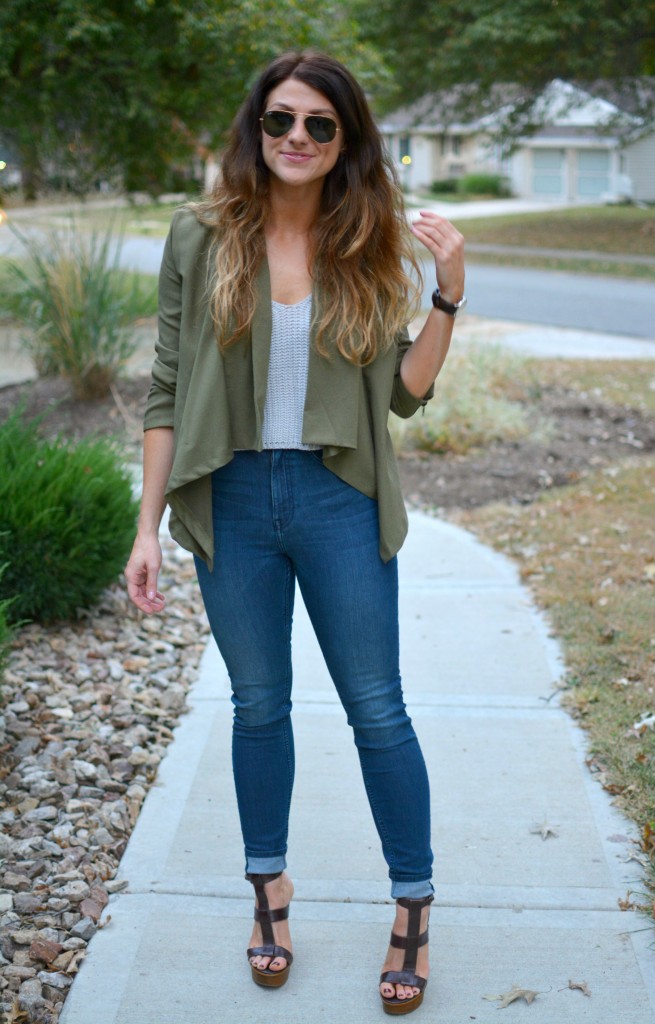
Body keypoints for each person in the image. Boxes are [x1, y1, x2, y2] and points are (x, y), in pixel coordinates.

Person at [124, 50, 465, 1016]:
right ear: (255, 129)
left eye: (320, 124)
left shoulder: (370, 237)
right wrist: (147, 528)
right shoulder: (199, 236)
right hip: (231, 499)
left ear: (345, 138)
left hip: (335, 497)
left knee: (376, 709)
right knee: (258, 708)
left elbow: (403, 397)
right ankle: (268, 895)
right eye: (280, 121)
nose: (298, 140)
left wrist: (448, 292)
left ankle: (412, 908)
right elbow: (163, 387)